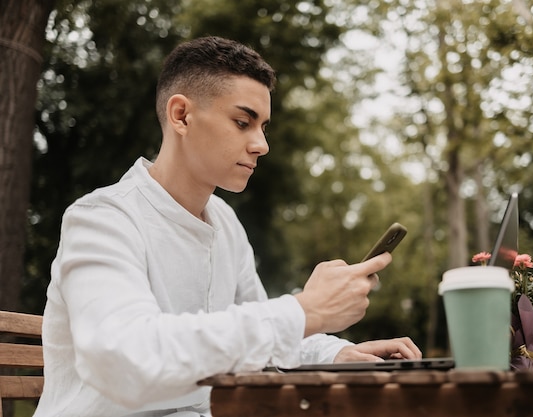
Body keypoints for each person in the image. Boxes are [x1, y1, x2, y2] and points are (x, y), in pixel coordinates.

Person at [32, 36, 421, 417]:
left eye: (263, 127)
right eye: (242, 122)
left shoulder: (225, 224)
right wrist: (305, 310)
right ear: (181, 115)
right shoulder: (102, 219)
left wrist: (334, 353)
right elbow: (127, 361)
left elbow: (255, 331)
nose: (261, 144)